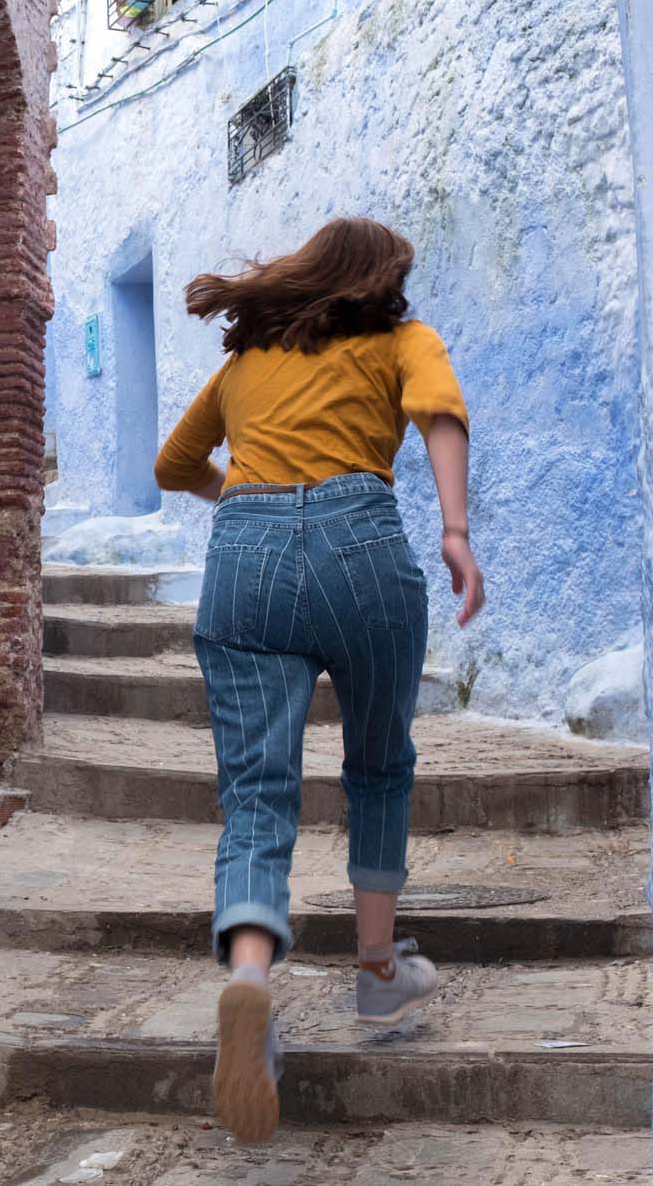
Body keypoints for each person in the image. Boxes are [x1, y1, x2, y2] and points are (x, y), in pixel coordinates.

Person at [152, 216, 485, 1143]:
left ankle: (249, 982)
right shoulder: (403, 340)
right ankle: (376, 973)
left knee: (256, 792)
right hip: (362, 547)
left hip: (244, 560)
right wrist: (455, 532)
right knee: (378, 763)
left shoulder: (245, 364)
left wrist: (250, 499)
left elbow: (174, 464)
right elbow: (440, 416)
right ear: (379, 279)